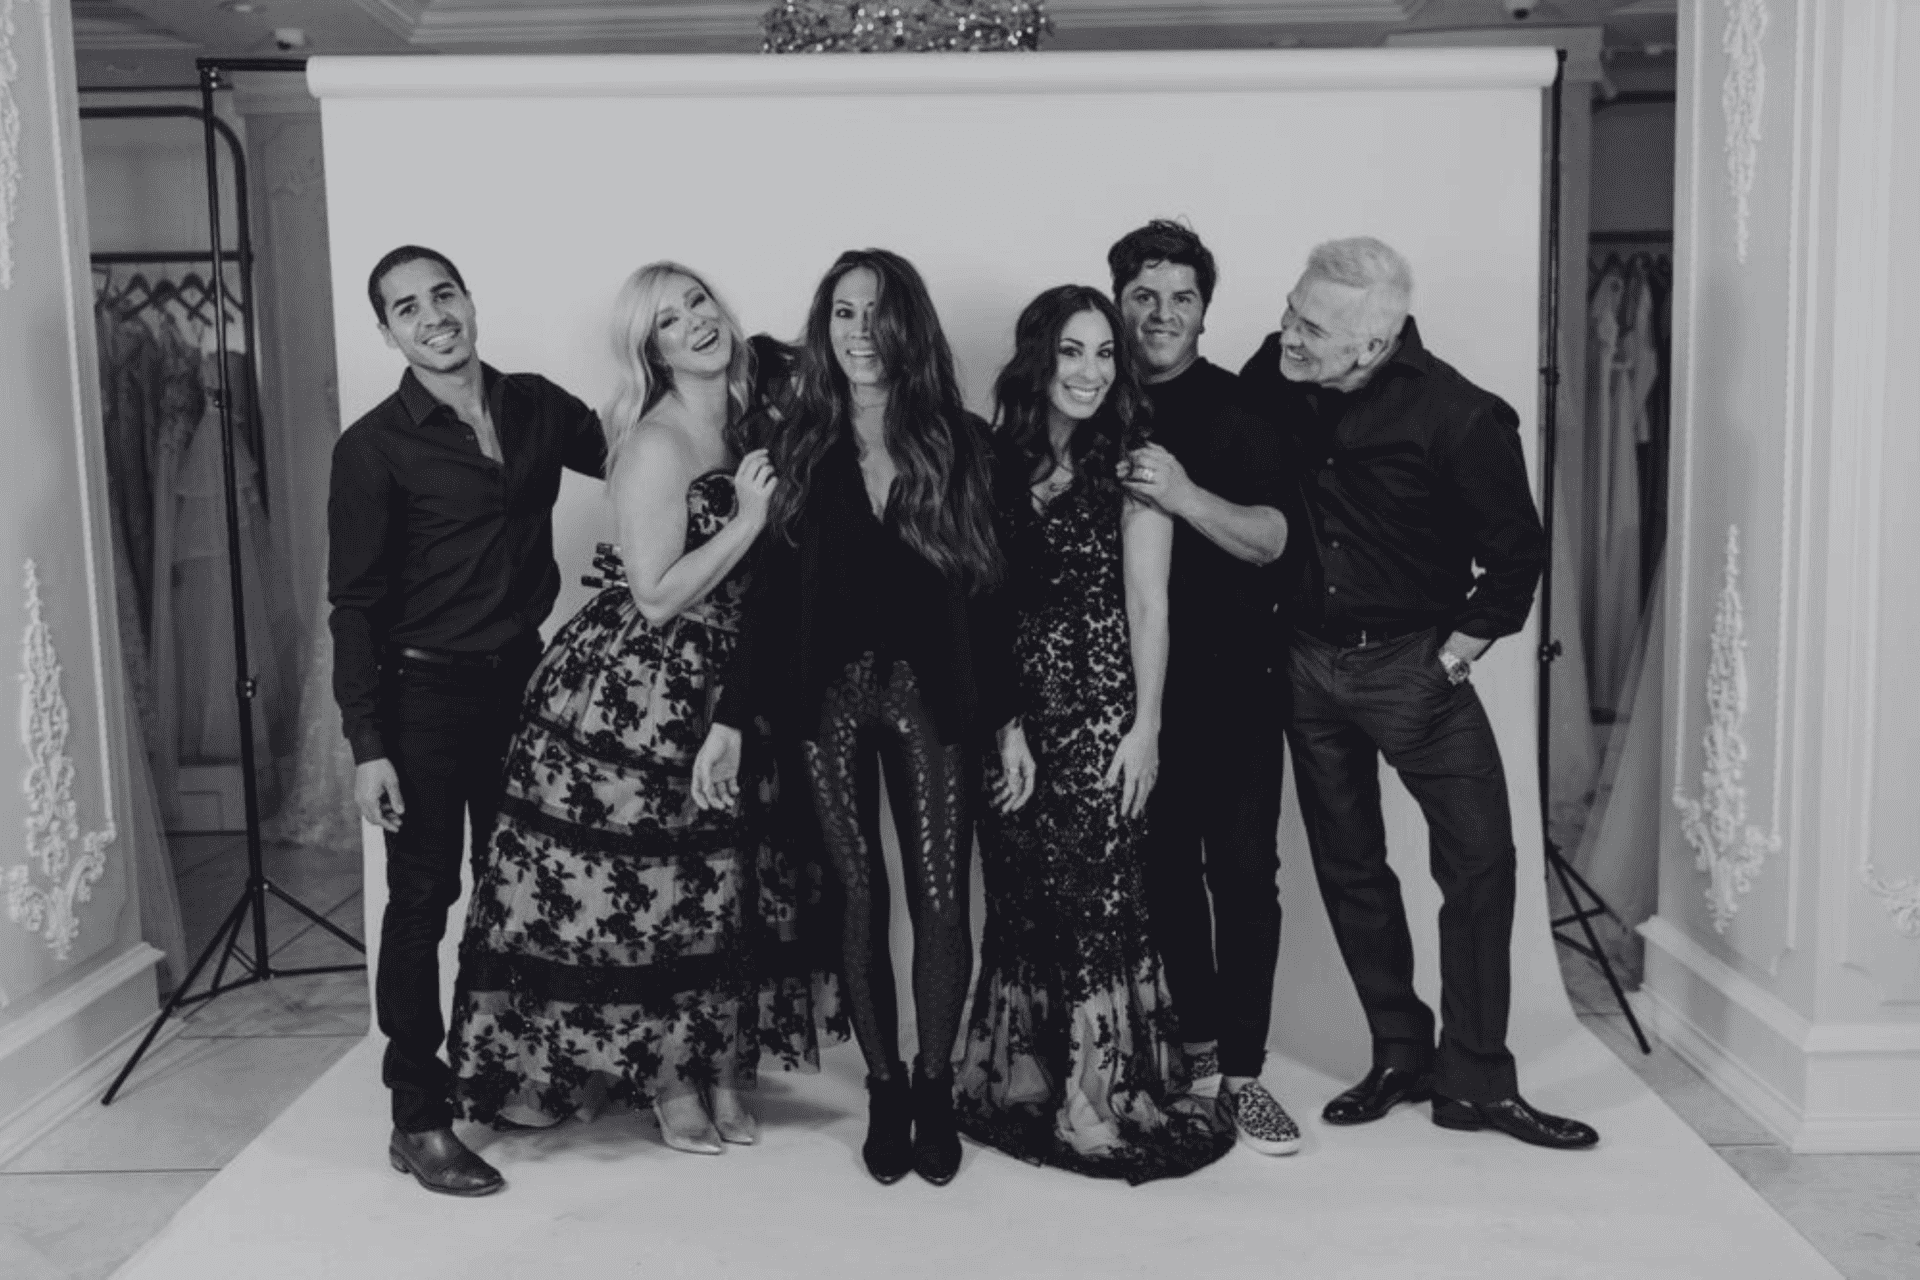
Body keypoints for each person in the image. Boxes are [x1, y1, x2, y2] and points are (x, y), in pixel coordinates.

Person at [445, 262, 842, 1155]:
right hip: (646, 688)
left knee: (723, 886)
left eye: (698, 301)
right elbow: (656, 597)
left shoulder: (757, 413)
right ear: (650, 350)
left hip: (740, 673)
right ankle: (668, 1084)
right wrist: (746, 521)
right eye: (668, 320)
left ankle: (721, 1066)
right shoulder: (653, 442)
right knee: (655, 887)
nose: (695, 322)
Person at [1238, 236, 1598, 1150]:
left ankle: (1476, 1080)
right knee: (1349, 867)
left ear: (1371, 345)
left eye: (1311, 328)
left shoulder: (1460, 417)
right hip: (1307, 665)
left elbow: (1516, 558)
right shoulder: (1277, 372)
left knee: (1480, 866)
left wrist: (1451, 660)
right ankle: (1399, 1052)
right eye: (1290, 310)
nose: (1287, 334)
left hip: (1414, 667)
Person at [691, 248, 1035, 1188]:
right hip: (826, 702)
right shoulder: (795, 447)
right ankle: (885, 1088)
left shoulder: (964, 444)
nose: (858, 332)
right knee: (856, 896)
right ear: (825, 327)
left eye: (876, 312)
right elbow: (766, 599)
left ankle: (934, 1086)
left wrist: (1009, 720)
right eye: (842, 313)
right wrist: (730, 718)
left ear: (907, 325)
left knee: (940, 894)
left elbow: (992, 594)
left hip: (934, 695)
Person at [329, 245, 606, 1196]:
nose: (433, 316)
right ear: (388, 333)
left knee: (519, 887)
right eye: (407, 307)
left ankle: (509, 1076)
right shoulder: (372, 448)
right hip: (422, 698)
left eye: (442, 293)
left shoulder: (537, 407)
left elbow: (644, 452)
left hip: (521, 684)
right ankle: (418, 1116)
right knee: (423, 900)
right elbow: (354, 606)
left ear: (469, 299)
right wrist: (367, 746)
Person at [953, 285, 1233, 1183]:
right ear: (1040, 358)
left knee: (1097, 902)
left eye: (1105, 352)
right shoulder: (991, 463)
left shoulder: (1135, 465)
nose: (1092, 370)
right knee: (1023, 896)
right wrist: (1005, 725)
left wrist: (1146, 728)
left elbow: (1150, 606)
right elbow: (979, 605)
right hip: (1013, 717)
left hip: (1103, 711)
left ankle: (1093, 1097)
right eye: (1073, 351)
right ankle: (1032, 1078)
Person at [1105, 220, 1300, 1155]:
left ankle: (1248, 1076)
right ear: (1118, 301)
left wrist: (1182, 495)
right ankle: (1202, 1056)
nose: (1162, 314)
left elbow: (1274, 539)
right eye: (1144, 296)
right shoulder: (1091, 397)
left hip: (1233, 686)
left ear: (1204, 311)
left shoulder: (1239, 410)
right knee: (1164, 877)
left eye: (1181, 298)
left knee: (1244, 876)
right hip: (1127, 694)